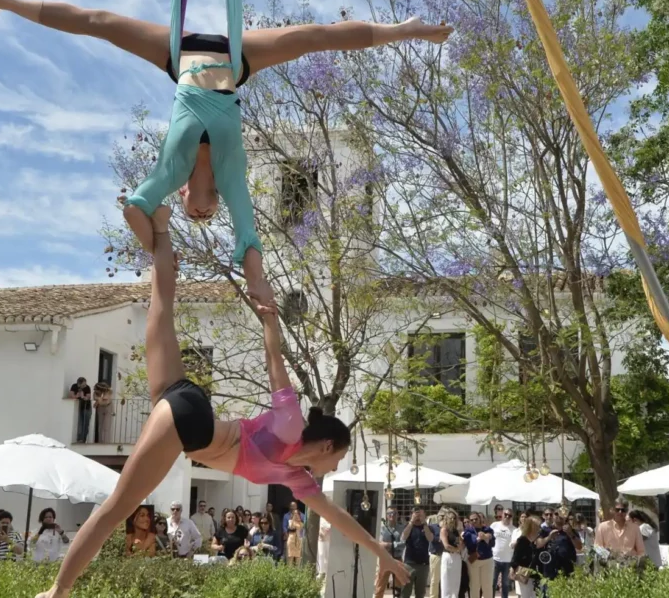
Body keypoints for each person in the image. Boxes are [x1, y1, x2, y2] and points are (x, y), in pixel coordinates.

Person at [0, 0, 452, 312]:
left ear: (184, 195)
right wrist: (261, 290)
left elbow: (135, 208)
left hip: (180, 56)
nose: (207, 210)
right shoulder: (233, 179)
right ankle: (403, 31)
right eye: (211, 215)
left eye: (196, 212)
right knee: (311, 37)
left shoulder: (170, 173)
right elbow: (251, 246)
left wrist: (158, 245)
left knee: (98, 21)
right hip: (235, 61)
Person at [28, 206, 409, 598]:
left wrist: (381, 552)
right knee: (119, 506)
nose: (337, 465)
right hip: (193, 423)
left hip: (186, 406)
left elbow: (340, 518)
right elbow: (274, 359)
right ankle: (59, 591)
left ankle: (161, 227)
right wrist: (269, 315)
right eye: (339, 457)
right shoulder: (291, 424)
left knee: (161, 304)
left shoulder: (297, 480)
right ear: (327, 444)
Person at [401, 507, 434, 598]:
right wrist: (411, 522)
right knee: (405, 592)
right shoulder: (408, 526)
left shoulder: (428, 527)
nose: (418, 516)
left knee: (420, 593)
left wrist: (424, 523)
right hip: (409, 563)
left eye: (420, 514)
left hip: (423, 565)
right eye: (416, 514)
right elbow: (403, 537)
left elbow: (430, 538)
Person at [509, 515, 540, 598]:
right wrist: (513, 569)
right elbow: (516, 557)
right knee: (526, 596)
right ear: (530, 526)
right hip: (525, 574)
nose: (538, 527)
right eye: (536, 525)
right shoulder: (522, 540)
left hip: (537, 574)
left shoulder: (539, 539)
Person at [489, 509, 514, 598]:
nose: (507, 516)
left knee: (505, 585)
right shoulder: (494, 525)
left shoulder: (514, 529)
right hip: (494, 559)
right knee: (492, 583)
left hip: (507, 560)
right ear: (502, 514)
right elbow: (489, 538)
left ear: (512, 517)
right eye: (506, 514)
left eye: (510, 515)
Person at [439, 511, 464, 598]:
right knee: (446, 582)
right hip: (448, 556)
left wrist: (461, 530)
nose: (452, 520)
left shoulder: (456, 531)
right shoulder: (444, 530)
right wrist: (457, 549)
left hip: (456, 557)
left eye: (454, 518)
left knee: (456, 582)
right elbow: (446, 546)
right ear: (446, 519)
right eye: (450, 518)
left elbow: (461, 543)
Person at [69, 377, 92, 443]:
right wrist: (76, 396)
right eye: (83, 384)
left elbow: (88, 397)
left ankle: (83, 439)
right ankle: (79, 438)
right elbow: (70, 395)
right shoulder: (74, 386)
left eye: (85, 384)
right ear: (79, 383)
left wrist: (83, 397)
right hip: (78, 408)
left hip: (86, 407)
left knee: (85, 423)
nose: (85, 385)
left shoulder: (87, 387)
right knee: (80, 423)